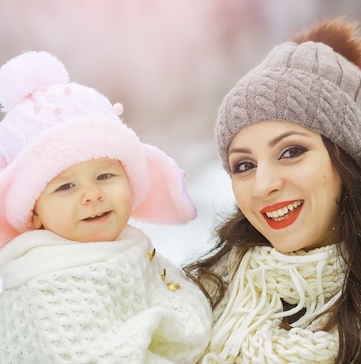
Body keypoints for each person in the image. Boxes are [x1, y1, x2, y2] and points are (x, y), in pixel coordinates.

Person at [184, 18, 361, 363]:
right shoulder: (204, 293)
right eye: (244, 165)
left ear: (344, 162)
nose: (264, 185)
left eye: (291, 152)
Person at [0, 51, 212, 363]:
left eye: (105, 175)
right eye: (66, 186)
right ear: (33, 213)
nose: (92, 194)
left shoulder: (127, 246)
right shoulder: (48, 283)